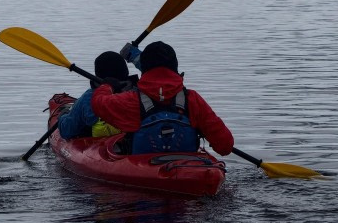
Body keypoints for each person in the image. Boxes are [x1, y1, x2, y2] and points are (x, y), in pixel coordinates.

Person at [92, 41, 234, 155]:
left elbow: (98, 103)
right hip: (188, 172)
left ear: (144, 68)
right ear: (175, 67)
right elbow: (225, 147)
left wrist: (107, 86)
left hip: (142, 171)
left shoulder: (131, 100)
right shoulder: (193, 99)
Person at [57, 51, 135, 139]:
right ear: (126, 71)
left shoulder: (88, 98)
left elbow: (67, 130)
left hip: (98, 147)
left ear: (97, 75)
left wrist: (62, 116)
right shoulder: (137, 92)